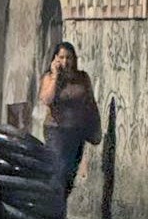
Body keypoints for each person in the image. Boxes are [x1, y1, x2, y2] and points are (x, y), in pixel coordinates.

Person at [38, 41, 101, 200]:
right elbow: (47, 99)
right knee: (58, 171)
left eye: (69, 57)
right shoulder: (50, 77)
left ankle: (61, 206)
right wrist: (55, 76)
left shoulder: (82, 77)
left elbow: (90, 103)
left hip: (76, 132)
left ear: (74, 59)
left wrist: (95, 128)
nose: (65, 61)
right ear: (55, 59)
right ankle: (54, 208)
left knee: (70, 174)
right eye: (62, 57)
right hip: (56, 132)